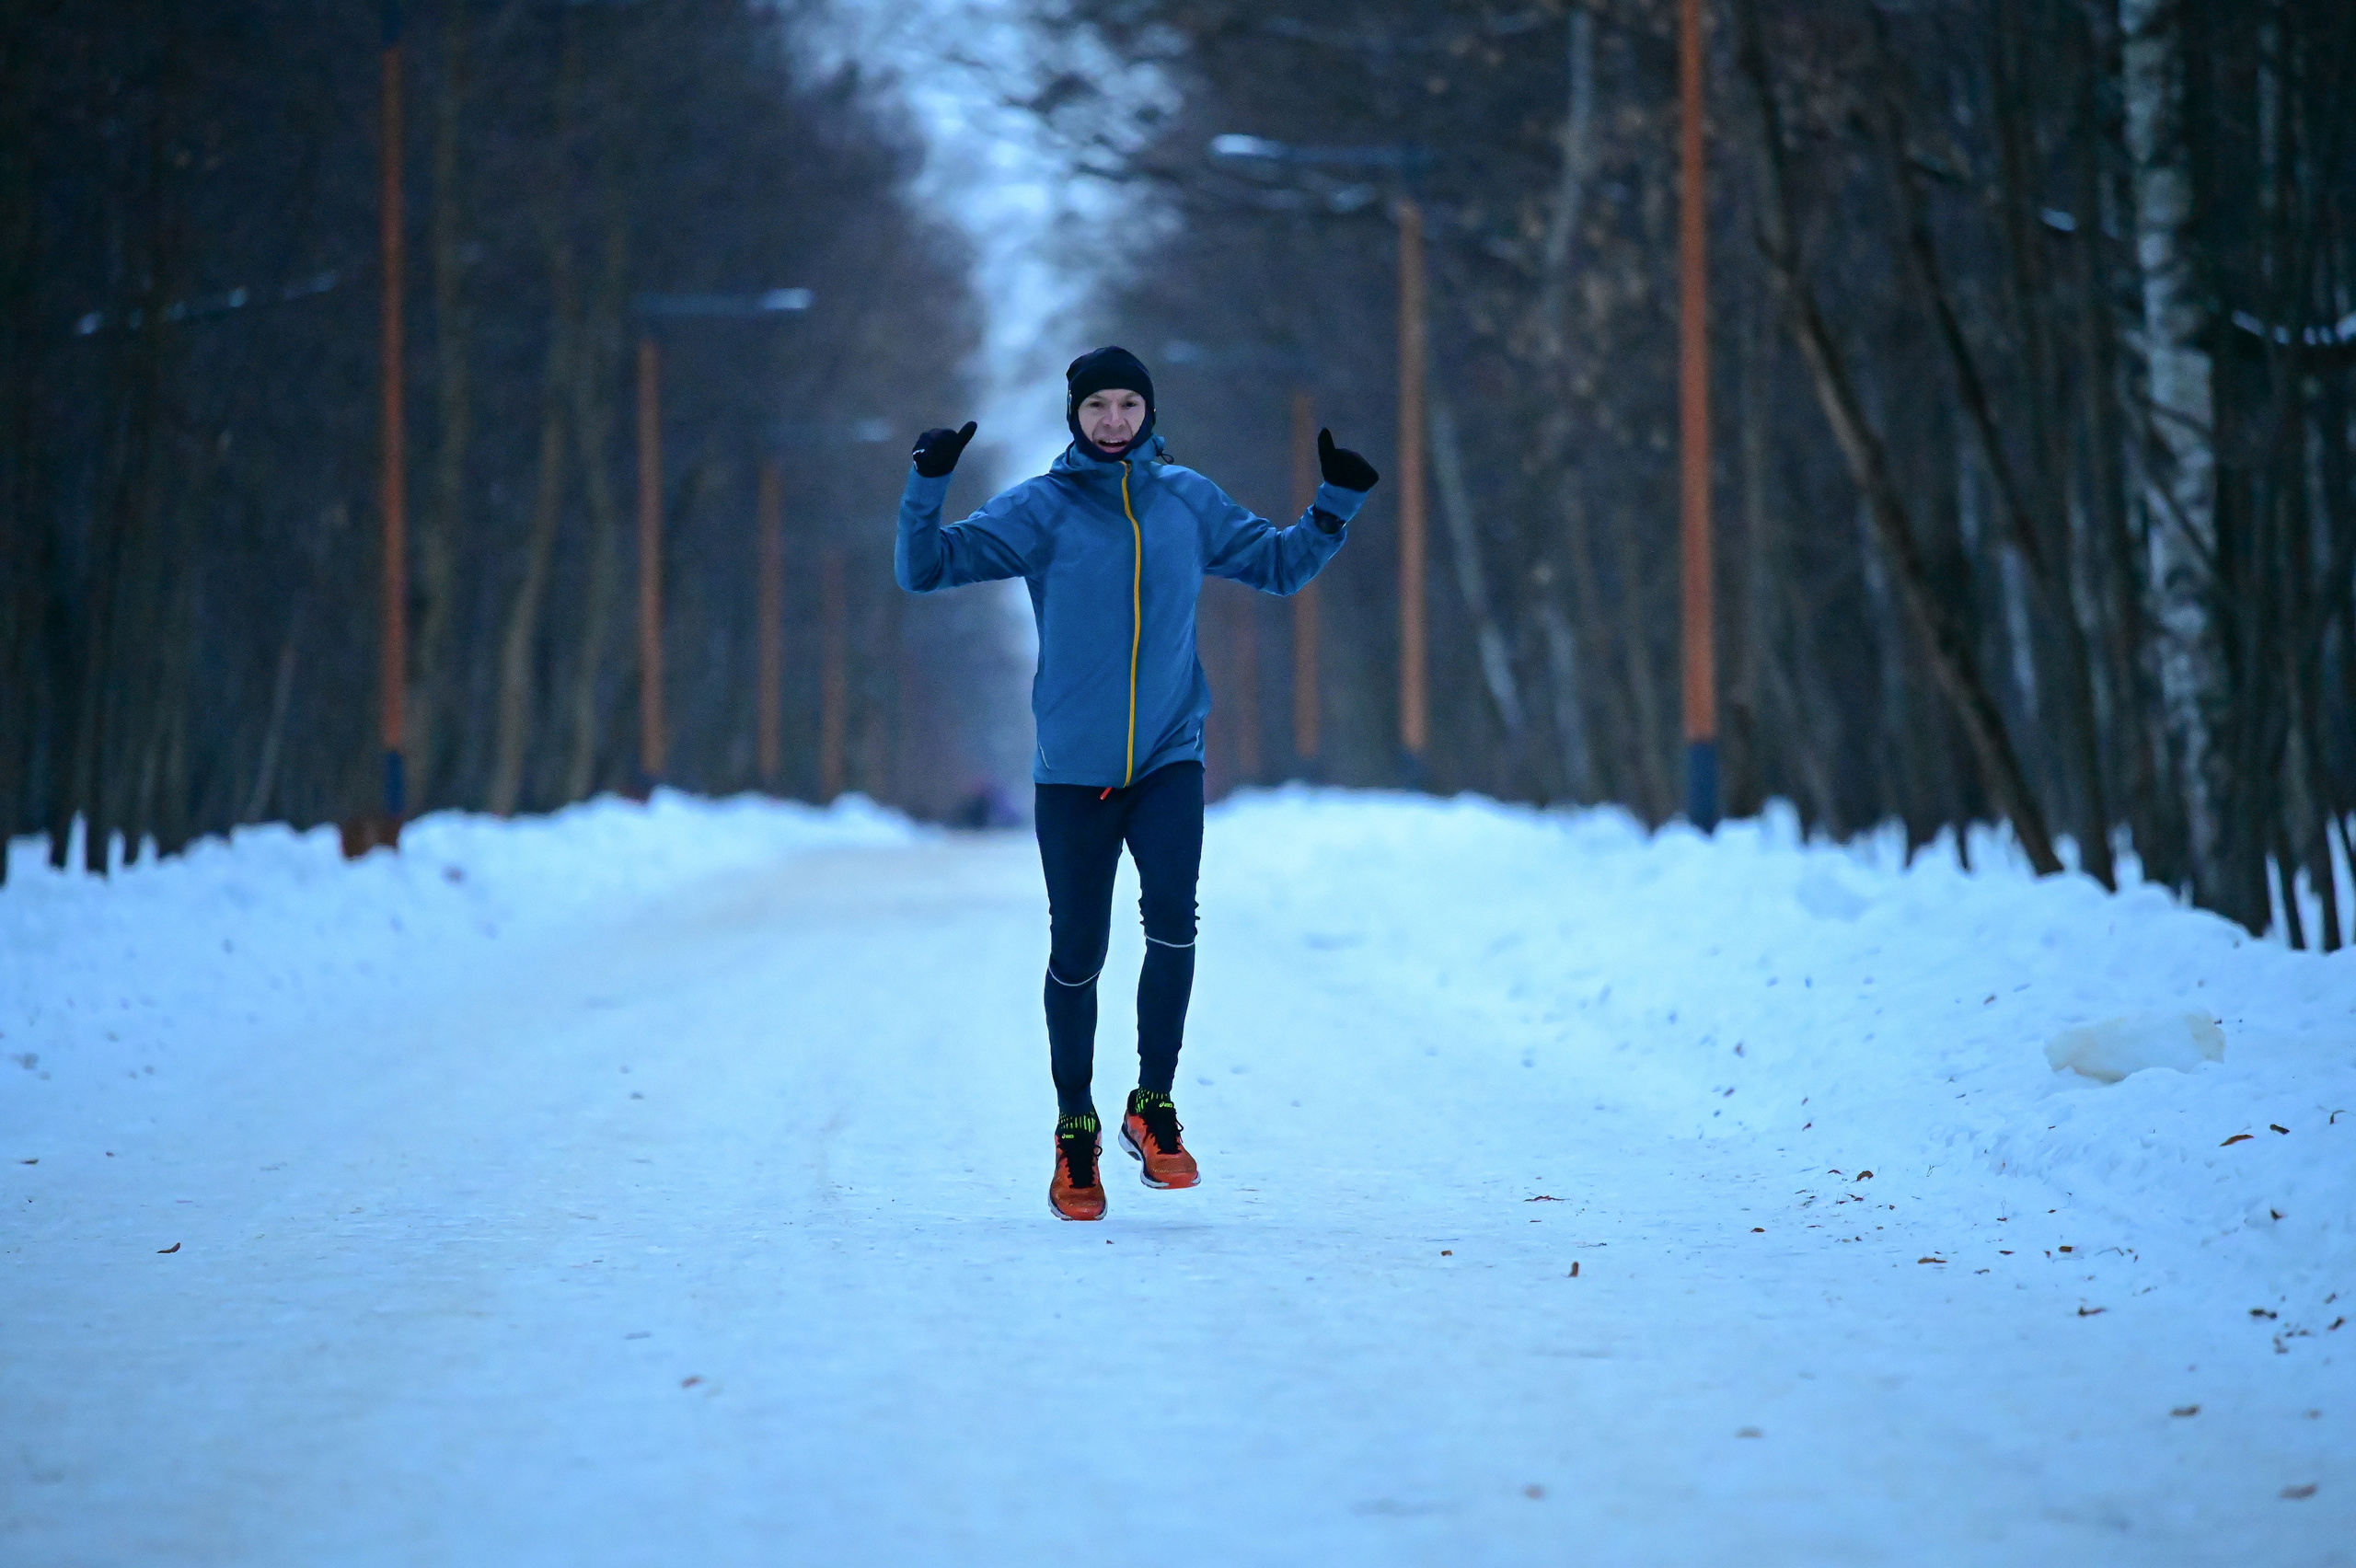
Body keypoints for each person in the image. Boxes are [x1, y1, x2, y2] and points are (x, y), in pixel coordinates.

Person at [896, 346, 1380, 1220]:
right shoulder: (1042, 509)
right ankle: (1074, 1130)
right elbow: (924, 568)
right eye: (1097, 408)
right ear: (1075, 418)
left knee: (1174, 925)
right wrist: (927, 484)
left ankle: (1153, 1107)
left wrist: (1334, 503)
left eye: (1128, 404)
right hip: (1074, 775)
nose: (1114, 420)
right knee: (1078, 952)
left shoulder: (1188, 499)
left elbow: (1277, 565)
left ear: (1148, 412)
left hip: (1168, 757)